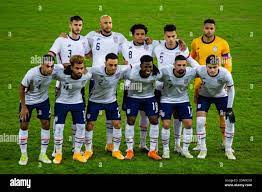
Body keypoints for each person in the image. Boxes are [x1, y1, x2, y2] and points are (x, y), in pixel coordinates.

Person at [153, 24, 199, 154]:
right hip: (160, 88)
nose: (171, 39)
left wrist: (203, 70)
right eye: (168, 36)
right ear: (164, 36)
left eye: (173, 36)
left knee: (178, 117)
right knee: (156, 118)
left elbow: (191, 61)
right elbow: (145, 50)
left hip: (177, 88)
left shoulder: (182, 49)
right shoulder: (157, 47)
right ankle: (155, 146)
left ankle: (177, 145)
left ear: (176, 36)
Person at [191, 19, 233, 150]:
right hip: (201, 82)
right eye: (206, 28)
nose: (208, 30)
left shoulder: (222, 43)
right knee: (201, 114)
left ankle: (225, 142)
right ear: (203, 28)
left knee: (223, 114)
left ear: (214, 29)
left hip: (218, 81)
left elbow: (227, 62)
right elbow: (192, 59)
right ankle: (200, 143)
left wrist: (226, 79)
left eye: (211, 28)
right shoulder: (196, 42)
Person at [84, 53, 130, 160]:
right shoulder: (95, 70)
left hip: (111, 101)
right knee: (90, 125)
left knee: (117, 124)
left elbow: (135, 66)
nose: (113, 68)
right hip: (95, 101)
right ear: (105, 63)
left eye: (115, 65)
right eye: (110, 65)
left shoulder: (120, 69)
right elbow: (82, 71)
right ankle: (88, 150)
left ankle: (115, 149)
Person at [18, 55, 57, 165]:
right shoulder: (31, 73)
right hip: (28, 102)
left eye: (52, 66)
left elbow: (66, 67)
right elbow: (21, 88)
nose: (50, 69)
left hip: (43, 101)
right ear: (41, 65)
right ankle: (24, 155)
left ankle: (42, 154)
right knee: (24, 125)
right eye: (47, 66)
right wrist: (24, 107)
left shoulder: (54, 70)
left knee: (46, 124)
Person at [52, 55, 92, 164]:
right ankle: (58, 153)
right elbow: (49, 69)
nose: (80, 71)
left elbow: (89, 71)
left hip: (77, 102)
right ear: (71, 67)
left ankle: (77, 153)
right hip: (61, 103)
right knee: (59, 127)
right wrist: (61, 65)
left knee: (81, 126)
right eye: (77, 68)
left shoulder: (86, 76)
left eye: (81, 68)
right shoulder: (61, 75)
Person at [195, 55, 236, 160]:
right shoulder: (200, 70)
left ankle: (228, 149)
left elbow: (231, 90)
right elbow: (190, 64)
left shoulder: (225, 73)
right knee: (200, 121)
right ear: (206, 66)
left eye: (215, 67)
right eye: (209, 67)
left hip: (221, 97)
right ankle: (203, 149)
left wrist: (229, 108)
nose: (212, 70)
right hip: (204, 97)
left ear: (219, 65)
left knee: (230, 120)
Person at [123, 55, 162, 160]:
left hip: (149, 97)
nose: (148, 69)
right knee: (131, 120)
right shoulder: (132, 73)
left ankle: (152, 150)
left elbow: (161, 81)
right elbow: (122, 80)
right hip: (133, 97)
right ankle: (130, 150)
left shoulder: (157, 73)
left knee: (154, 120)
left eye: (150, 66)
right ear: (140, 66)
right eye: (146, 67)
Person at [158, 55, 197, 159]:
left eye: (184, 65)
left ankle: (184, 149)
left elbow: (202, 70)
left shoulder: (191, 72)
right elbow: (154, 77)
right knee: (166, 124)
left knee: (188, 123)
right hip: (166, 99)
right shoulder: (165, 71)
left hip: (183, 99)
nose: (181, 67)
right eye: (179, 65)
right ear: (174, 65)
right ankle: (166, 150)